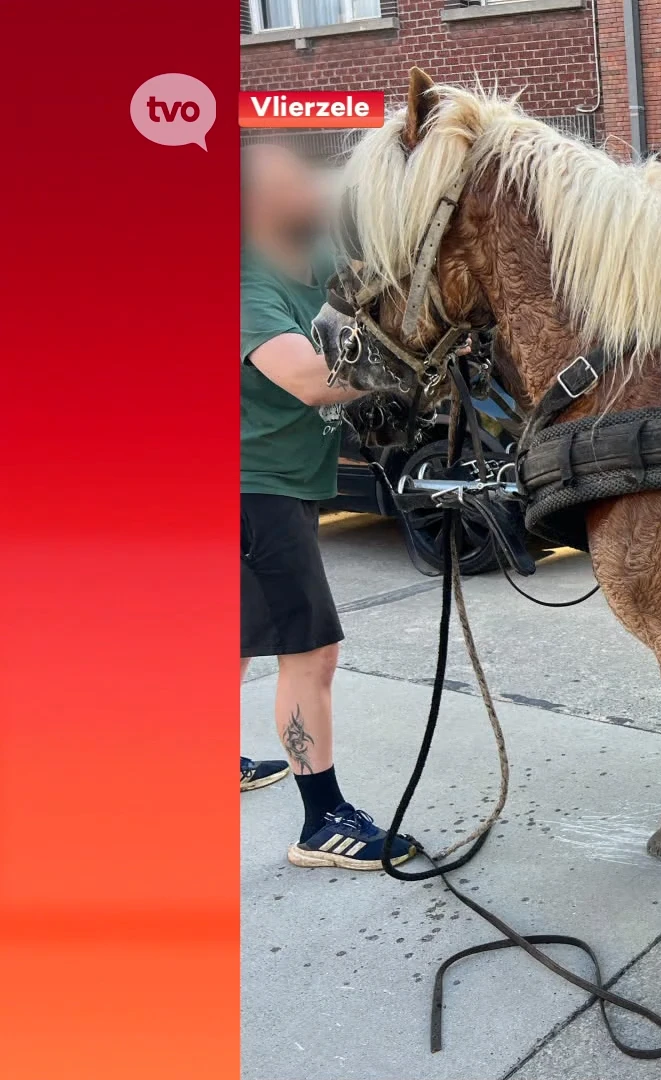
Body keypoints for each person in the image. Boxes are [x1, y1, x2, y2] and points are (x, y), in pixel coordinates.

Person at [241, 143, 414, 870]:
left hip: (287, 480)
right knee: (310, 653)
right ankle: (323, 822)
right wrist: (408, 359)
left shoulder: (309, 262)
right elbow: (311, 379)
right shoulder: (245, 284)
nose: (311, 187)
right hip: (254, 488)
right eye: (290, 181)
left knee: (241, 639)